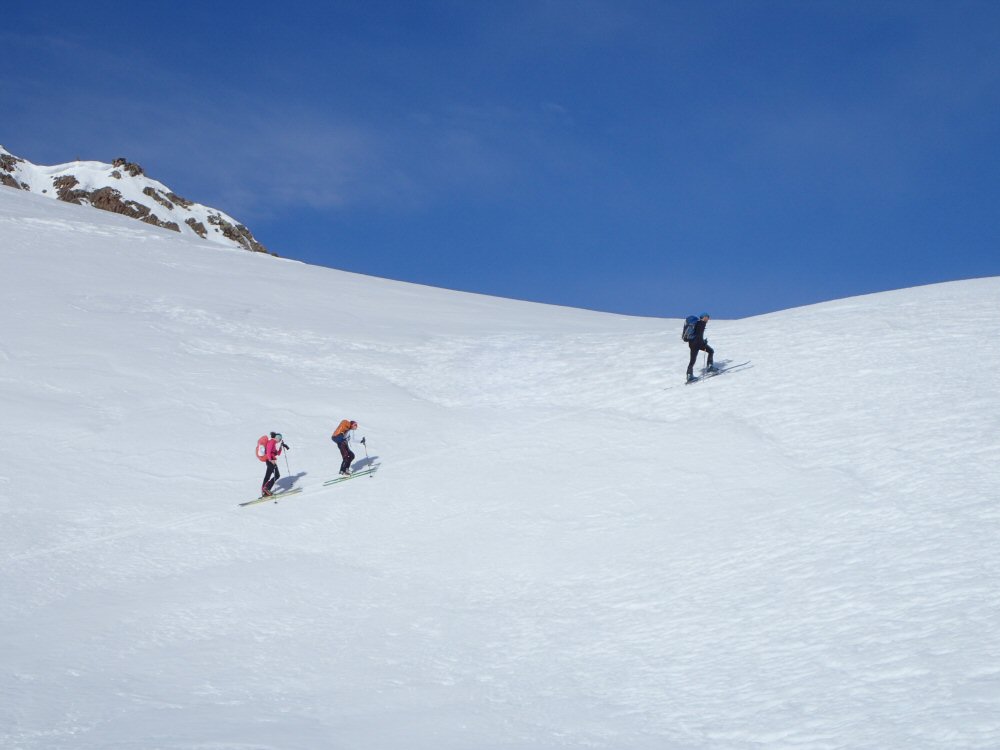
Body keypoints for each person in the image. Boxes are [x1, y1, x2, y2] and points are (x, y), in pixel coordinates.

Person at [686, 313, 717, 382]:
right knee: (711, 351)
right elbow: (699, 336)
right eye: (707, 317)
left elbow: (697, 334)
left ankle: (689, 375)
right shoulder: (701, 323)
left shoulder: (696, 323)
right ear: (704, 317)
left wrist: (703, 342)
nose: (708, 319)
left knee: (692, 360)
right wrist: (703, 342)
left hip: (692, 344)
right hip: (698, 344)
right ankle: (710, 367)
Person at [261, 432, 290, 496]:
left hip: (270, 461)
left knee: (267, 476)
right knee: (277, 475)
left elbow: (278, 453)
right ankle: (266, 488)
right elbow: (268, 452)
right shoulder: (271, 442)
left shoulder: (273, 443)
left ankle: (265, 490)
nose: (280, 440)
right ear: (277, 438)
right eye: (280, 439)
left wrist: (281, 447)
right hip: (270, 461)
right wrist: (271, 460)